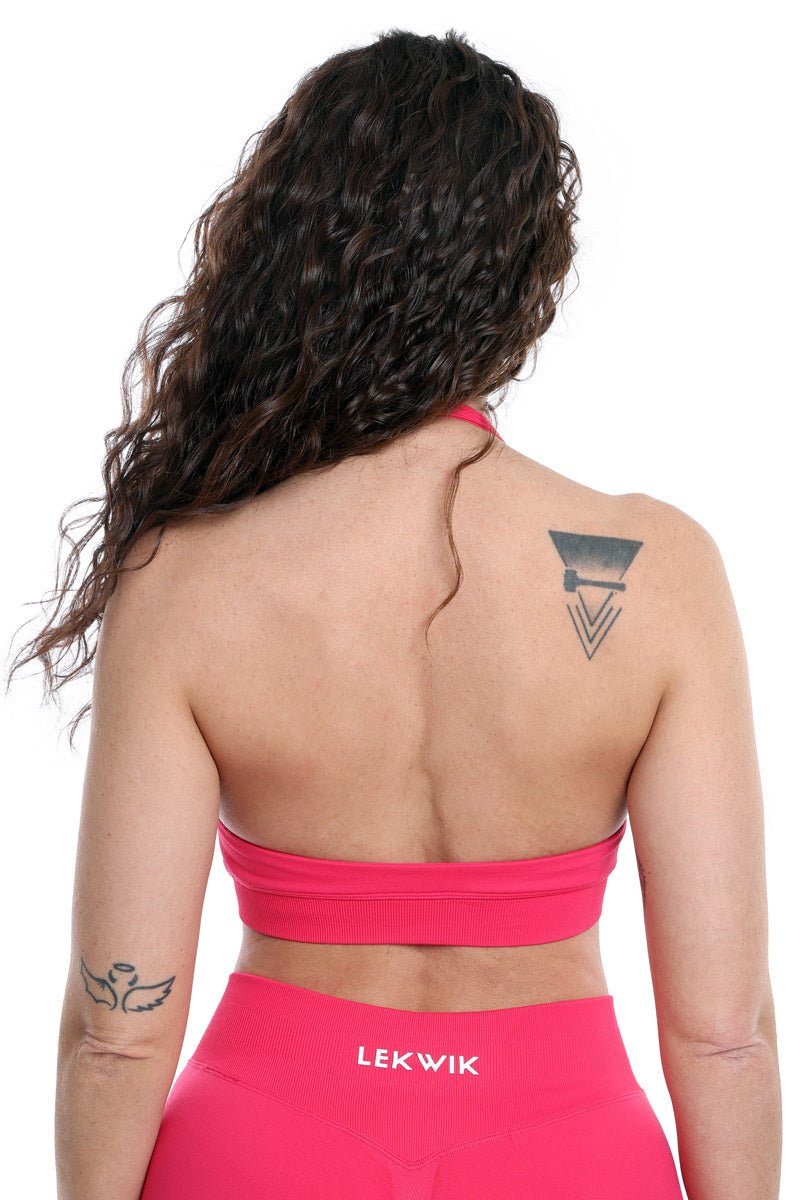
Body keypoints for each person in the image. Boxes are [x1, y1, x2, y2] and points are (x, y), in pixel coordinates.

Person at [11, 27, 780, 1200]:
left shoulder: (186, 576)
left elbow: (118, 1033)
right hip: (564, 1153)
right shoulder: (658, 569)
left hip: (260, 1148)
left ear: (289, 252)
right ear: (523, 275)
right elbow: (724, 1037)